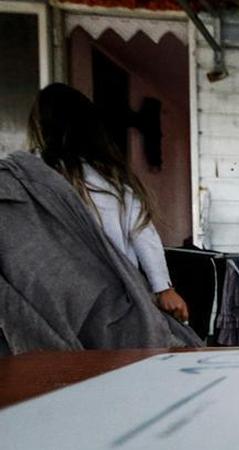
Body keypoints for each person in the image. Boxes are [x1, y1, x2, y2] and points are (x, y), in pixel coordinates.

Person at [27, 83, 189, 322]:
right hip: (116, 300)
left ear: (38, 128)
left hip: (54, 302)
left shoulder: (27, 179)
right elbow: (142, 233)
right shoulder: (112, 185)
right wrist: (164, 288)